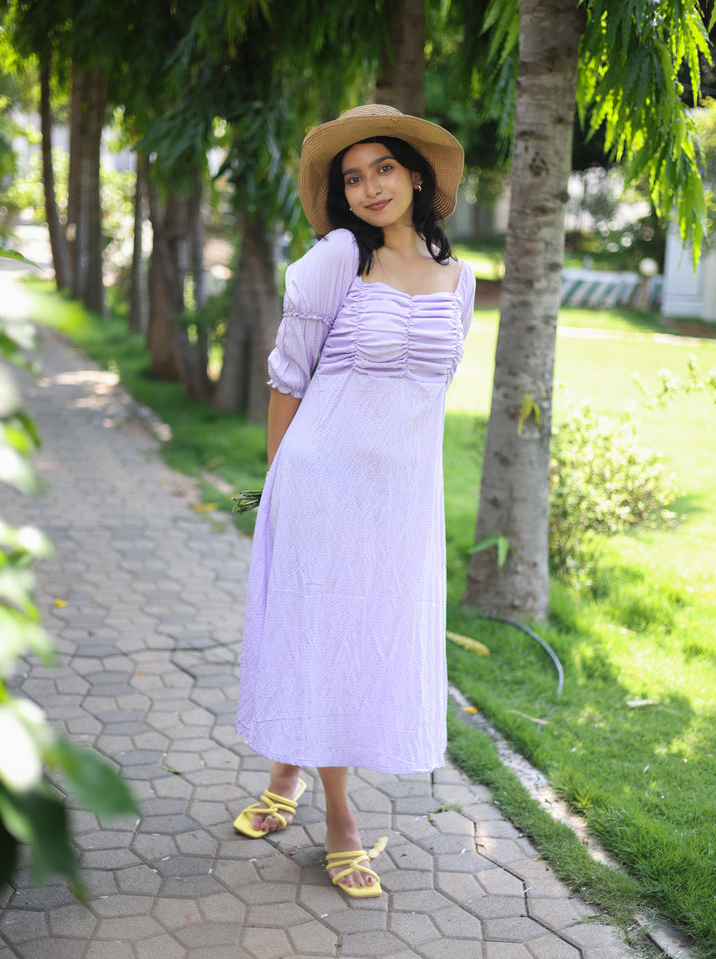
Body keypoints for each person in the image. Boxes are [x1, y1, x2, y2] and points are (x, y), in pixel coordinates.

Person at [233, 104, 475, 899]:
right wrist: (279, 489)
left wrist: (411, 498)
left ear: (416, 175)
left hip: (397, 500)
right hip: (318, 484)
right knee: (326, 637)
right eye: (352, 177)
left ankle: (286, 775)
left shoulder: (461, 278)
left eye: (383, 168)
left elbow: (430, 401)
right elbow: (287, 378)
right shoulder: (340, 256)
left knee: (355, 637)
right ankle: (340, 820)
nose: (369, 187)